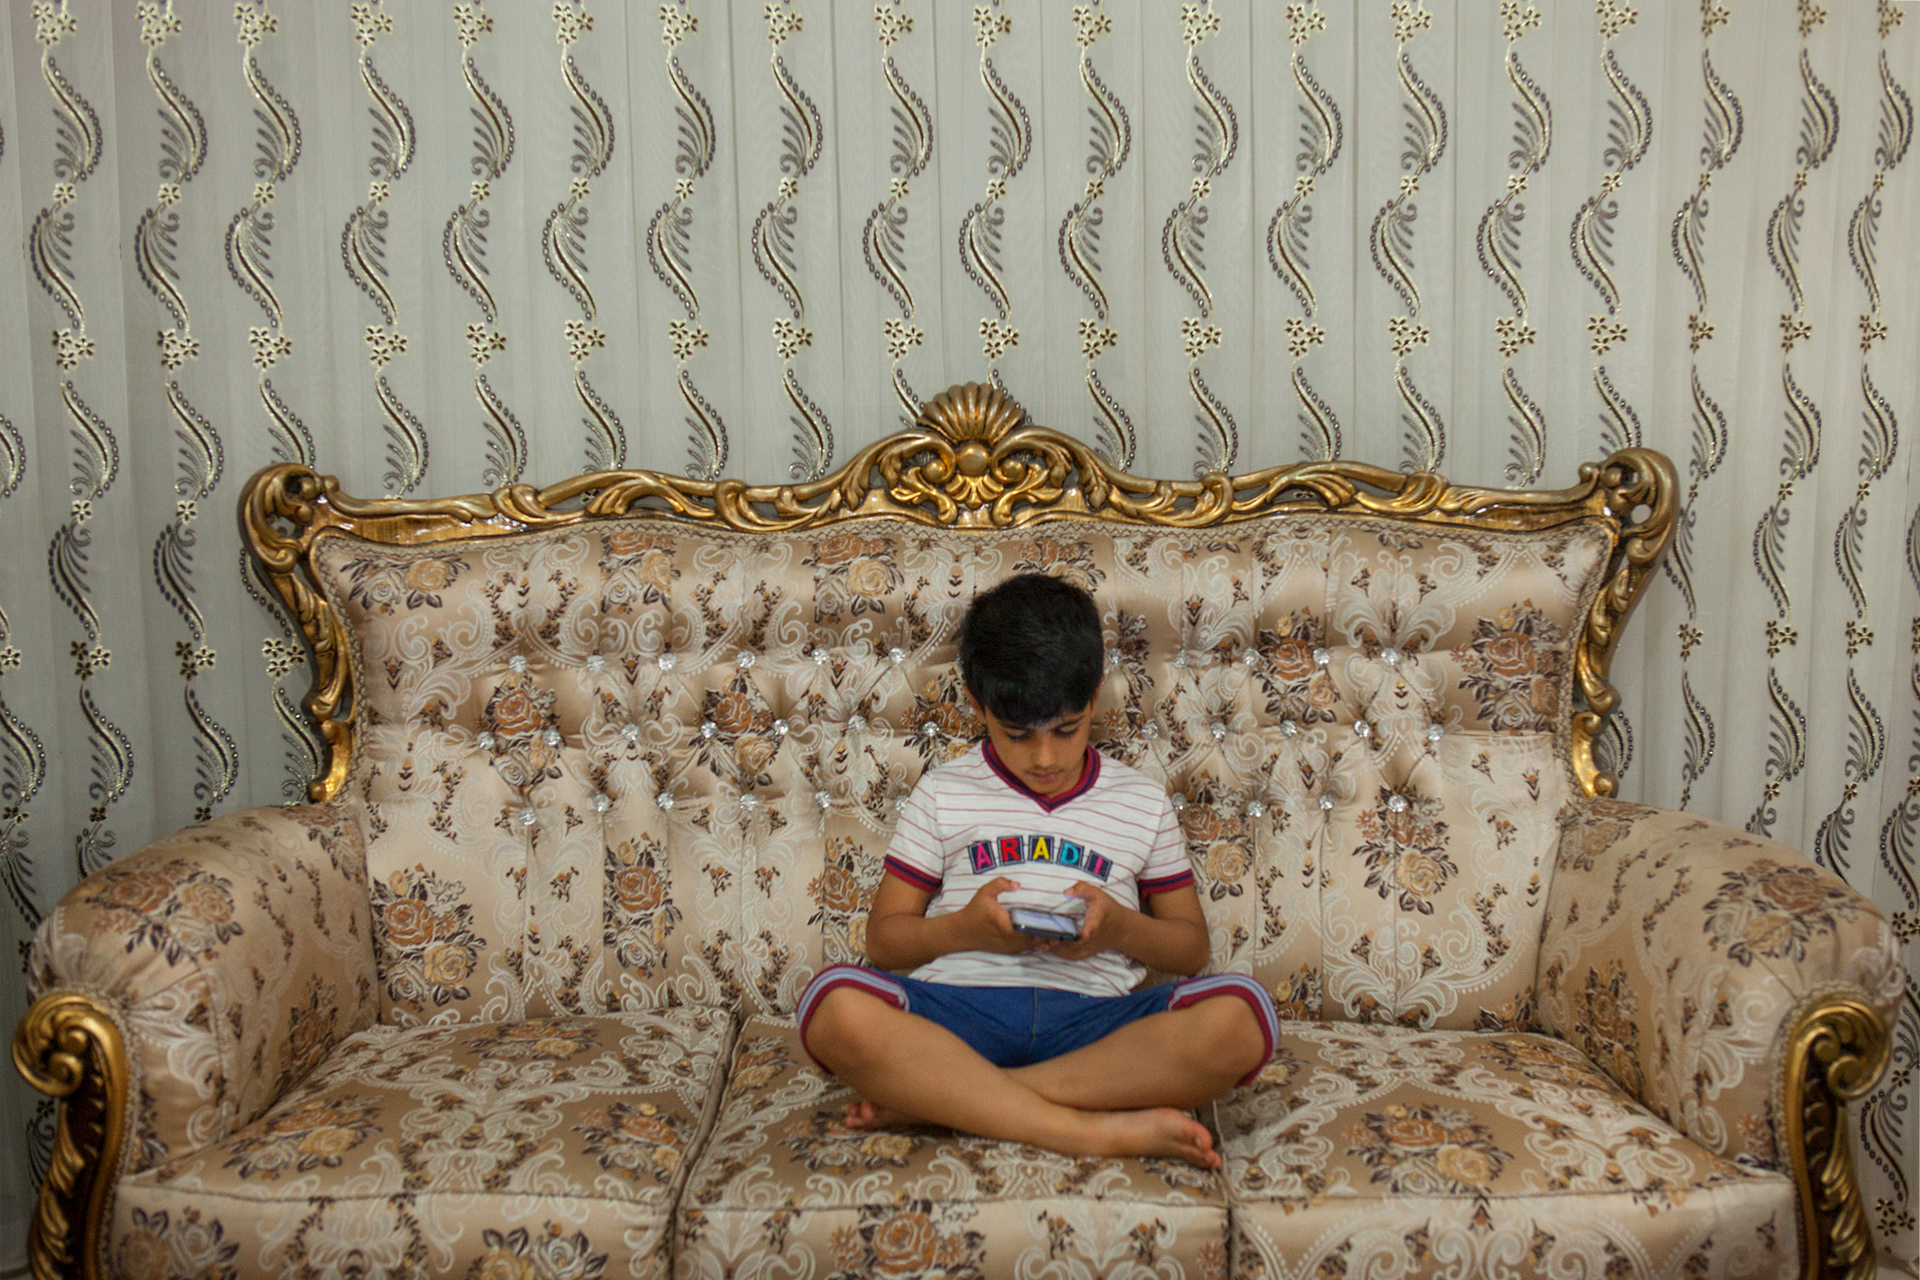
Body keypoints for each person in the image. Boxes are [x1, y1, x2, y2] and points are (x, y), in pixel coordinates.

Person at [798, 573, 1277, 1169]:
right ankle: (1087, 1130)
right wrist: (968, 931)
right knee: (831, 1003)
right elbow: (884, 940)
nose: (1045, 757)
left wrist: (1116, 931)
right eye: (1017, 735)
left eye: (1067, 730)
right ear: (978, 706)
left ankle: (950, 1099)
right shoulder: (944, 793)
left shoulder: (1140, 800)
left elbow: (1189, 949)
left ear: (1094, 697)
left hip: (1095, 1026)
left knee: (1242, 1015)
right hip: (958, 1016)